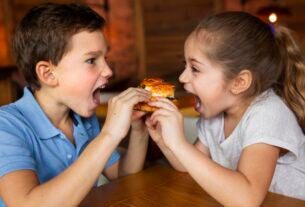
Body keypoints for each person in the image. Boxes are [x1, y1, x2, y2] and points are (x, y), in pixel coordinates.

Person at [146, 11, 305, 206]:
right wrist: (165, 141)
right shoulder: (214, 115)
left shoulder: (268, 114)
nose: (182, 78)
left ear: (239, 82)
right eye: (184, 65)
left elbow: (247, 199)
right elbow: (187, 165)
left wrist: (179, 144)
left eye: (195, 69)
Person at [0, 3, 150, 207]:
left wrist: (139, 130)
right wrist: (109, 135)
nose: (108, 71)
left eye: (105, 59)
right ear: (48, 74)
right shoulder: (6, 126)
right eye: (91, 60)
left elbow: (121, 175)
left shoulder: (84, 120)